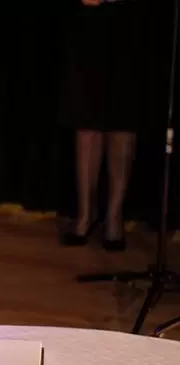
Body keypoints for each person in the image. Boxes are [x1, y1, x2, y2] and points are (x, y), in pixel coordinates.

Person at [60, 0, 147, 251]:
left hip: (132, 17)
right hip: (89, 17)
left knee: (123, 118)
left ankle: (114, 216)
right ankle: (86, 213)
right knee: (87, 119)